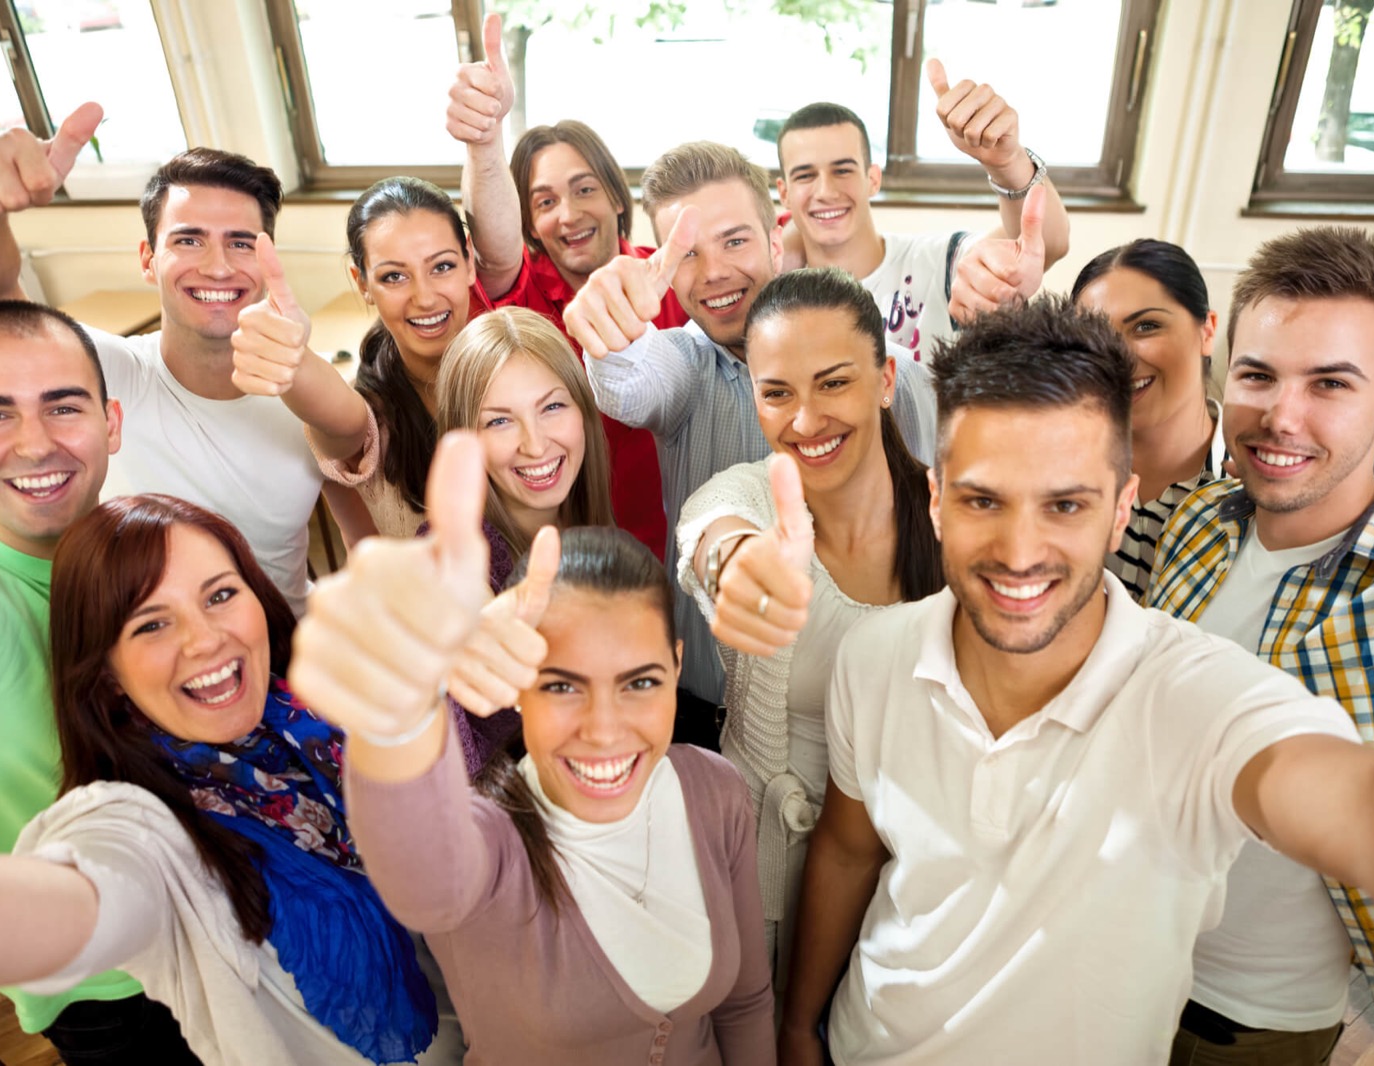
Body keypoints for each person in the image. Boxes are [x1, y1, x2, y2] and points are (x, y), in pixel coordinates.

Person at [779, 294, 1374, 1065]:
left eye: (1066, 505)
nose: (1020, 552)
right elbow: (849, 850)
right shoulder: (873, 654)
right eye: (985, 500)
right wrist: (797, 1025)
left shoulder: (1193, 691)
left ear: (1122, 512)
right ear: (938, 501)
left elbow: (1304, 775)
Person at [0, 493, 459, 1066]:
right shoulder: (149, 827)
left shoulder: (312, 713)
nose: (204, 639)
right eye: (152, 624)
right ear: (107, 675)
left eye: (220, 595)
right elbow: (89, 898)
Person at [286, 433, 776, 1064]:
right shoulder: (488, 839)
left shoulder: (713, 787)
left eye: (640, 682)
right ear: (518, 686)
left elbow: (746, 1003)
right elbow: (424, 883)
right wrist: (400, 708)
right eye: (563, 685)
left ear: (677, 667)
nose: (604, 729)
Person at [1146, 227, 1374, 1065]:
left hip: (1263, 1028)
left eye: (1331, 383)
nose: (1281, 417)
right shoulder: (1193, 523)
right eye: (1259, 375)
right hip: (1128, 967)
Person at [0, 300, 200, 1063]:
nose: (35, 443)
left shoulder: (147, 551)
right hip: (104, 988)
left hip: (220, 925)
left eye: (63, 406)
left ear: (111, 424)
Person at [0, 105, 347, 614]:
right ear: (148, 259)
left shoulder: (309, 391)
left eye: (241, 243)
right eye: (189, 240)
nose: (217, 266)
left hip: (282, 656)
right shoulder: (103, 373)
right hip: (146, 661)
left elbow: (362, 458)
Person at [563, 139, 937, 718]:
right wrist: (608, 333)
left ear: (774, 239)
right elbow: (628, 379)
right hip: (713, 714)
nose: (714, 273)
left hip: (875, 715)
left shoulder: (886, 373)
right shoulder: (685, 363)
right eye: (686, 253)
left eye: (734, 240)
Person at [675, 269, 942, 979]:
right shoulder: (748, 496)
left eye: (833, 383)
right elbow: (712, 533)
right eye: (777, 393)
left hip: (903, 890)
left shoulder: (952, 519)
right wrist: (737, 570)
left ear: (886, 379)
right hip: (755, 879)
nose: (804, 421)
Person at [445, 13, 685, 559]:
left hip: (673, 547)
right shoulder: (521, 297)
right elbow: (495, 241)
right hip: (571, 561)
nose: (569, 214)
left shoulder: (664, 278)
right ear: (530, 223)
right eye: (545, 201)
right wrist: (485, 142)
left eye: (585, 190)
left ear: (618, 199)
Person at [233, 176, 475, 542]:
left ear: (469, 261)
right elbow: (341, 424)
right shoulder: (369, 416)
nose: (424, 298)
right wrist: (296, 360)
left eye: (441, 267)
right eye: (394, 276)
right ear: (362, 283)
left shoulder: (516, 369)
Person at [430, 305, 616, 775]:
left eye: (552, 407)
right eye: (499, 421)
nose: (535, 445)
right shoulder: (451, 559)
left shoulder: (591, 532)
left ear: (583, 411)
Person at [774, 78, 1068, 362]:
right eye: (805, 176)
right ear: (784, 192)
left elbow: (1046, 243)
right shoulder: (772, 294)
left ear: (873, 180)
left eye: (843, 170)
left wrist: (1007, 162)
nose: (825, 192)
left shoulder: (940, 262)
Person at [1071, 239, 1224, 600]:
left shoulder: (1254, 483)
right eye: (1095, 335)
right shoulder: (1060, 473)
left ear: (1207, 331)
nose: (1118, 358)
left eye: (1146, 326)